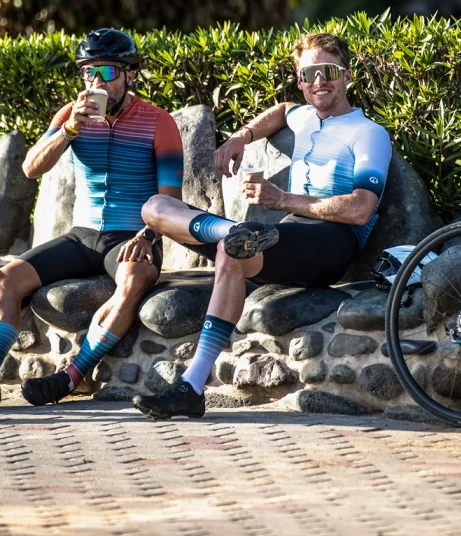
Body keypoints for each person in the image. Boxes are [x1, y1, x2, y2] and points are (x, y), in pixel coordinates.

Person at [133, 32, 392, 420]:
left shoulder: (369, 133)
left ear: (347, 76)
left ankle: (190, 385)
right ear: (300, 80)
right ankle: (231, 235)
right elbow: (283, 110)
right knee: (155, 207)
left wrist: (281, 199)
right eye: (308, 74)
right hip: (283, 236)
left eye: (328, 71)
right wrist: (240, 137)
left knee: (235, 251)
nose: (318, 81)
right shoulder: (305, 116)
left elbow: (360, 209)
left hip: (331, 241)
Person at [0, 29, 184, 410]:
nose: (96, 83)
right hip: (82, 236)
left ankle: (73, 376)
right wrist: (69, 129)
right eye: (89, 73)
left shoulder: (159, 122)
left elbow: (170, 200)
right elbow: (31, 167)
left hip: (134, 235)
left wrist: (147, 235)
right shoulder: (70, 115)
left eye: (107, 72)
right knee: (4, 279)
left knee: (132, 281)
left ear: (130, 75)